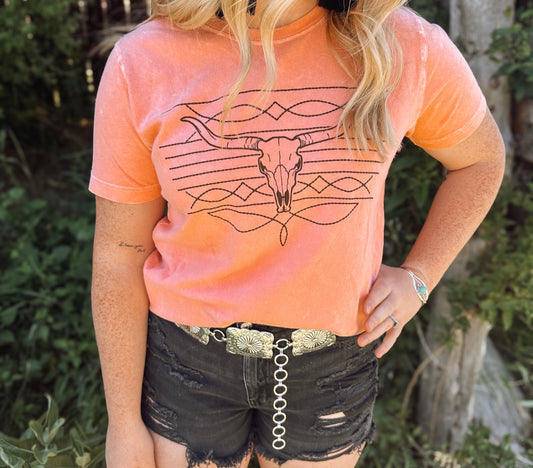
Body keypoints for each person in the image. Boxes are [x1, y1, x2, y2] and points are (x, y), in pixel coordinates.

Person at [89, 0, 505, 466]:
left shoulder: (402, 44)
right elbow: (120, 255)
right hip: (189, 362)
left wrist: (420, 275)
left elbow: (481, 161)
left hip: (329, 369)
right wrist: (122, 424)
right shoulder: (143, 61)